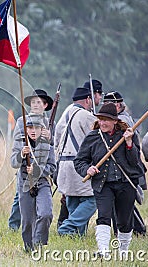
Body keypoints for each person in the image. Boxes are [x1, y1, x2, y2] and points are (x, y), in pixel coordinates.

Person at [74, 102, 145, 258]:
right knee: (104, 216)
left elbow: (135, 162)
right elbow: (79, 161)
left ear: (115, 121)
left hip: (126, 183)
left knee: (124, 221)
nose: (102, 123)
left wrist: (129, 143)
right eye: (100, 119)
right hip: (103, 184)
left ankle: (123, 252)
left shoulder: (128, 135)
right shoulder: (93, 137)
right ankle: (104, 251)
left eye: (106, 119)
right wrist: (88, 169)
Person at [55, 79, 103, 228]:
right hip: (79, 165)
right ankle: (68, 227)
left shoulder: (66, 113)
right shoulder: (87, 116)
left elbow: (57, 136)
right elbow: (98, 140)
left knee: (73, 200)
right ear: (88, 99)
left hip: (63, 165)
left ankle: (77, 235)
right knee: (92, 199)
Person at [8, 89, 53, 231]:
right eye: (33, 102)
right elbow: (18, 141)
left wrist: (49, 137)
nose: (35, 105)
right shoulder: (22, 120)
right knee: (20, 198)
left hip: (42, 167)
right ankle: (14, 225)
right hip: (25, 166)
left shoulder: (50, 123)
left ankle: (38, 232)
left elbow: (53, 146)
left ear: (45, 105)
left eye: (38, 102)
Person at [103, 91, 147, 236]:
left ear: (117, 105)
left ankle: (137, 230)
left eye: (108, 104)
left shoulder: (122, 121)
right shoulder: (119, 118)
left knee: (125, 206)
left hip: (126, 166)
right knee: (123, 205)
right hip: (120, 166)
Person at [11, 113, 56, 252]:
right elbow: (13, 163)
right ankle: (29, 248)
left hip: (42, 182)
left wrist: (37, 171)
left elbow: (52, 166)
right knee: (27, 221)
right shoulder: (21, 143)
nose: (32, 130)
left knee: (45, 213)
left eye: (35, 127)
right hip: (25, 182)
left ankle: (39, 243)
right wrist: (22, 155)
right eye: (29, 127)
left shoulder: (47, 144)